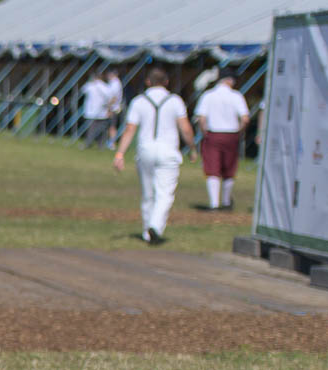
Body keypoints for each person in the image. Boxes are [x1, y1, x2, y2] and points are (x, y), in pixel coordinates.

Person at [113, 67, 194, 245]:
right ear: (166, 82)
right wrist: (192, 148)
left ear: (148, 82)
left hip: (145, 149)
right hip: (168, 151)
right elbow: (186, 128)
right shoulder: (175, 101)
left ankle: (147, 231)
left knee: (148, 194)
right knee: (165, 194)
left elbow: (130, 129)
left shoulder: (139, 101)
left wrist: (120, 153)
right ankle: (155, 227)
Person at [193, 69, 249, 211]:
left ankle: (214, 203)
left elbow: (201, 118)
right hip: (231, 134)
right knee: (229, 168)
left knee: (212, 168)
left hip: (213, 134)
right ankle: (225, 201)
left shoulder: (208, 95)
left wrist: (204, 131)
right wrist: (239, 131)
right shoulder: (236, 96)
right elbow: (245, 118)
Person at [79, 71, 112, 148]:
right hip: (101, 110)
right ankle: (100, 144)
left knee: (91, 128)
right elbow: (110, 97)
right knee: (101, 128)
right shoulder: (105, 86)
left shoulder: (91, 85)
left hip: (92, 111)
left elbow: (83, 90)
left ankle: (88, 143)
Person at [102, 67, 124, 149]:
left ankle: (112, 143)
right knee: (110, 126)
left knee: (112, 126)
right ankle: (110, 142)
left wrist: (109, 108)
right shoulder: (113, 83)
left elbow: (114, 98)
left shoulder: (115, 83)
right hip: (113, 108)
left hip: (113, 108)